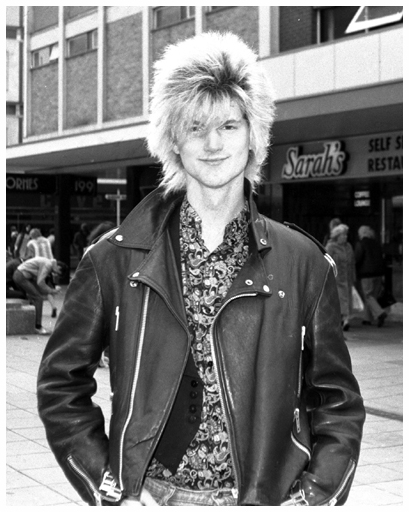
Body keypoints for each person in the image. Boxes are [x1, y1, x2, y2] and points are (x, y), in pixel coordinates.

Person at [37, 32, 365, 506]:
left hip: (266, 497)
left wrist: (316, 496)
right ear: (173, 137)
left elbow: (338, 400)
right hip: (151, 497)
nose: (213, 143)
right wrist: (112, 489)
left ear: (254, 134)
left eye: (229, 126)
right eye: (195, 127)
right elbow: (59, 384)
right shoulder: (113, 259)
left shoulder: (303, 262)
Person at [12, 256, 63, 335]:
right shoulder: (48, 265)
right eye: (57, 272)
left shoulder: (47, 261)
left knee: (34, 296)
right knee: (38, 298)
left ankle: (31, 324)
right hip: (21, 276)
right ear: (58, 267)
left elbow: (39, 283)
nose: (55, 274)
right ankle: (38, 326)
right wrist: (52, 291)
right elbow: (40, 282)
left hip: (20, 274)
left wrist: (49, 290)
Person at [355, 225, 388, 327]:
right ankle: (367, 319)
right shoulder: (376, 243)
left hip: (367, 273)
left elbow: (357, 258)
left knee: (368, 296)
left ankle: (380, 313)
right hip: (379, 273)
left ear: (361, 233)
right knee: (372, 297)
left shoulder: (361, 244)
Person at [325, 224, 356, 331]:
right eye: (343, 235)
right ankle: (340, 320)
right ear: (337, 236)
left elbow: (352, 263)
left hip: (347, 278)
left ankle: (346, 319)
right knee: (339, 300)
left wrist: (353, 277)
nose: (345, 237)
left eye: (346, 235)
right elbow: (326, 262)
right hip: (336, 278)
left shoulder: (348, 246)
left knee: (347, 299)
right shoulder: (330, 246)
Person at [25, 228, 59, 318]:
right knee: (48, 288)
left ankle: (34, 309)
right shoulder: (47, 241)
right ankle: (54, 307)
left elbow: (30, 256)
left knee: (33, 287)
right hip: (49, 265)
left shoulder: (31, 243)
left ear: (33, 236)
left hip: (39, 266)